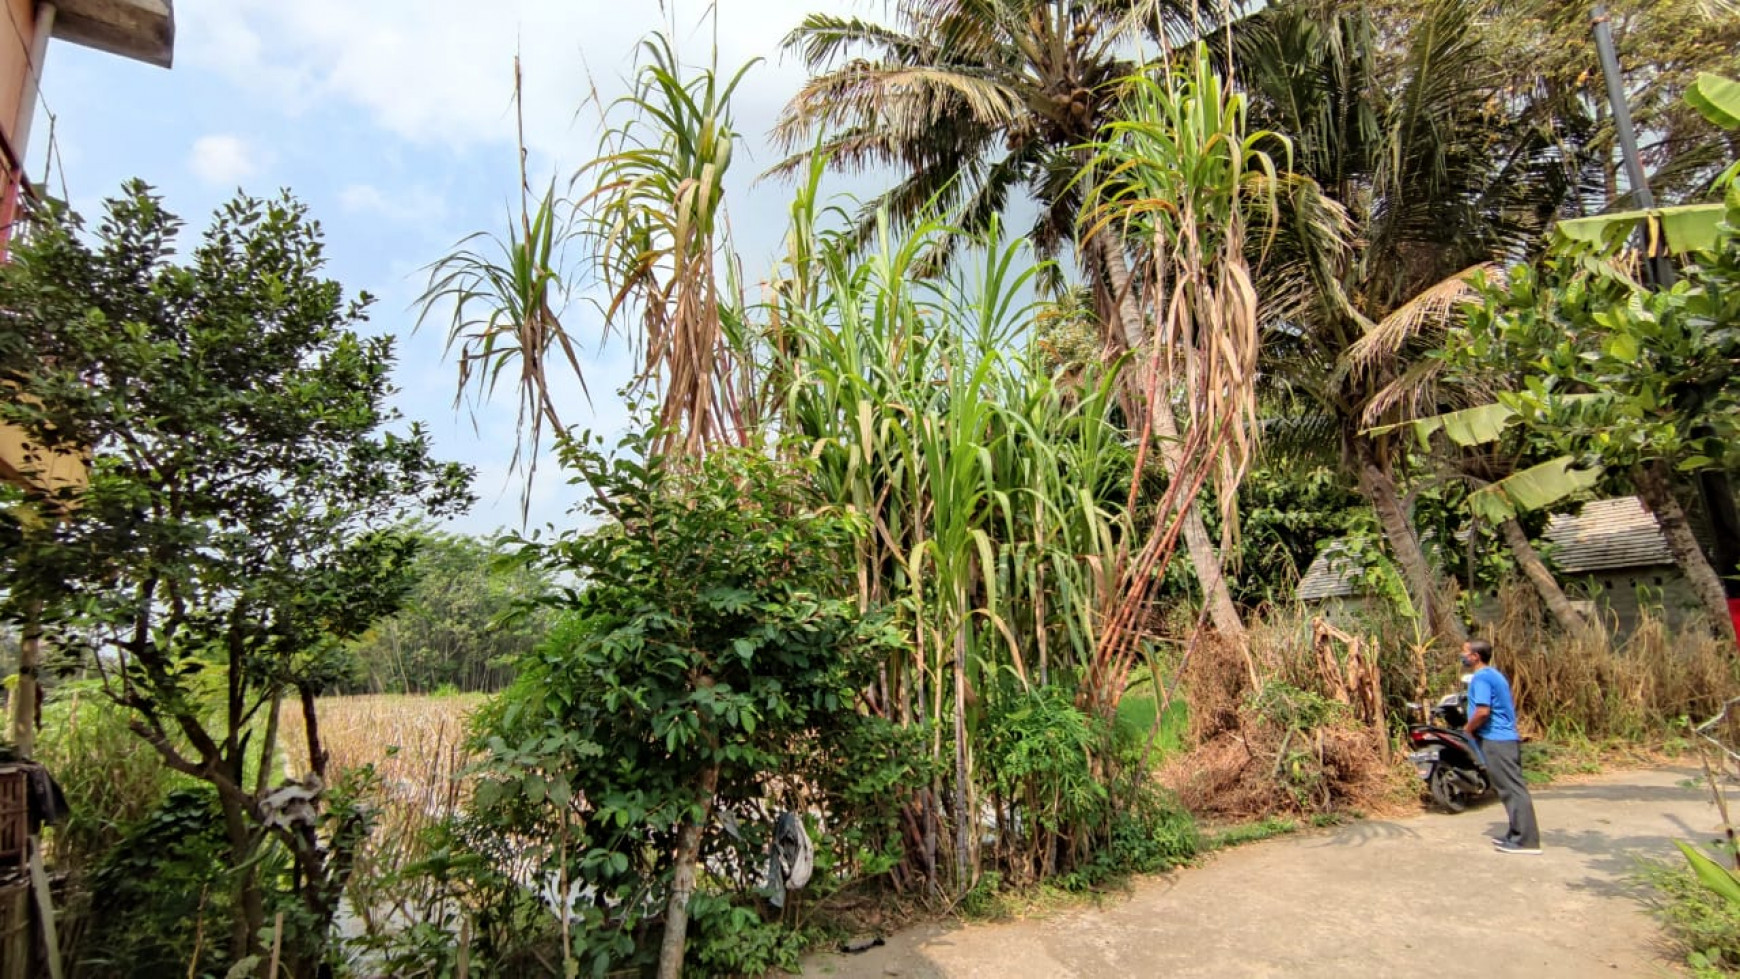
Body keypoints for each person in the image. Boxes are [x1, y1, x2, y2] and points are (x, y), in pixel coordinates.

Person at [1461, 638, 1540, 854]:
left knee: (1512, 789)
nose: (1462, 656)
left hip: (1496, 739)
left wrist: (1468, 728)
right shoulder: (1494, 674)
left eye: (1465, 652)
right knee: (1508, 789)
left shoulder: (1482, 678)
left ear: (1475, 656)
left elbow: (1483, 711)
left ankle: (1526, 841)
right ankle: (1516, 834)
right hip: (1503, 739)